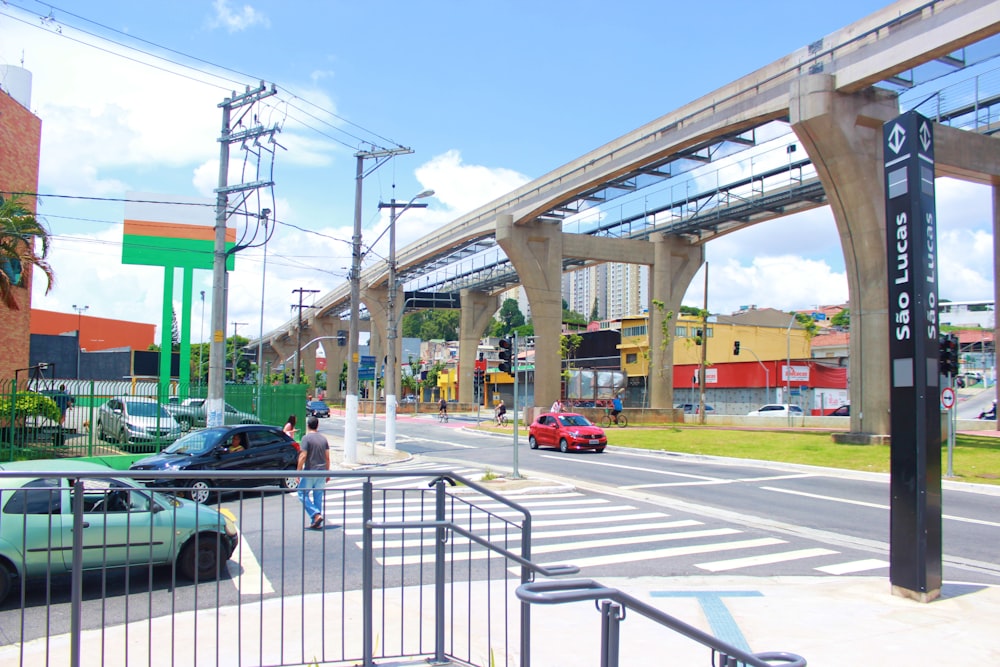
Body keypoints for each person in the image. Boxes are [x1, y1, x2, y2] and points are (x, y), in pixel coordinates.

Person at [297, 415, 330, 530]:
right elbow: (327, 458)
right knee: (318, 496)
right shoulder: (323, 439)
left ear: (307, 426)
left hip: (310, 471)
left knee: (301, 494)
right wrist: (327, 472)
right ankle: (316, 521)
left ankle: (315, 514)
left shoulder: (306, 438)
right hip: (322, 472)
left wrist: (298, 471)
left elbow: (303, 456)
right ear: (318, 425)